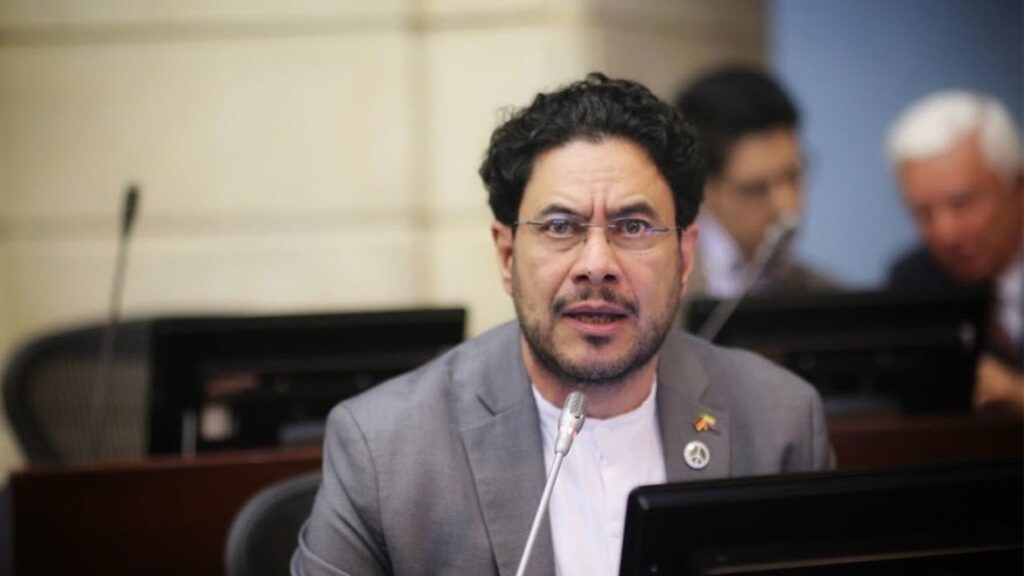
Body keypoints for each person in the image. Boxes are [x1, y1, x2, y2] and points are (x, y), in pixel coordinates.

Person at [292, 73, 834, 576]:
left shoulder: (780, 422)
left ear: (684, 256)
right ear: (507, 255)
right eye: (559, 226)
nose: (596, 264)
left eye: (633, 226)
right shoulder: (386, 448)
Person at [887, 91, 1023, 417]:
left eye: (962, 203)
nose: (945, 234)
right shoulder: (913, 283)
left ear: (1018, 187)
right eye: (923, 212)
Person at [675, 67, 835, 298]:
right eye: (756, 189)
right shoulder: (666, 295)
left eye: (794, 176)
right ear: (704, 189)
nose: (786, 205)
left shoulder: (824, 293)